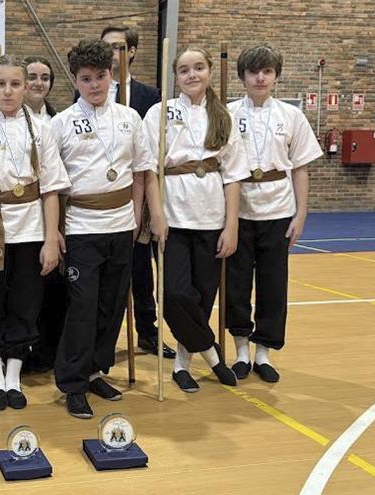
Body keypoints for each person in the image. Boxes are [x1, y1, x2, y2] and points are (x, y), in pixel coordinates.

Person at [51, 40, 166, 419]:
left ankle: (96, 370)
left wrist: (137, 217)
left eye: (101, 77)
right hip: (83, 224)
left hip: (122, 224)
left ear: (112, 75)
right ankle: (72, 383)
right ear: (75, 79)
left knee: (112, 303)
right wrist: (57, 231)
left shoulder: (129, 118)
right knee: (82, 307)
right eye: (86, 79)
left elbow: (140, 172)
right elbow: (54, 185)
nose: (95, 85)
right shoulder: (61, 124)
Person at [0, 54, 69, 410]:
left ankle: (13, 375)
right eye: (1, 84)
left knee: (26, 300)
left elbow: (51, 189)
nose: (8, 91)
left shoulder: (43, 130)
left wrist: (52, 238)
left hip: (32, 227)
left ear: (25, 88)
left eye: (15, 84)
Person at [142, 47, 248, 393]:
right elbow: (150, 170)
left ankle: (182, 364)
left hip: (211, 215)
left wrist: (231, 225)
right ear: (175, 77)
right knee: (174, 293)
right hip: (173, 215)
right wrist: (156, 215)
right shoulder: (160, 113)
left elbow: (233, 176)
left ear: (209, 72)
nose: (192, 75)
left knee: (203, 296)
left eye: (198, 68)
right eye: (184, 70)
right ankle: (213, 355)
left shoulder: (223, 117)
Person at [226, 44, 321, 383]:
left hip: (278, 208)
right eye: (253, 72)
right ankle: (239, 349)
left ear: (276, 76)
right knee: (236, 284)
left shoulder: (291, 116)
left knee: (272, 284)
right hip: (238, 209)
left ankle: (263, 351)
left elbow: (301, 169)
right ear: (243, 76)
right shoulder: (227, 112)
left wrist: (301, 214)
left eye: (267, 71)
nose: (260, 77)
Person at [101, 25, 175, 359]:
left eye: (119, 47)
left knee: (141, 271)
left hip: (140, 192)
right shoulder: (94, 90)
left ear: (131, 51)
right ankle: (102, 339)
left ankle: (147, 332)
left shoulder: (149, 96)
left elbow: (151, 153)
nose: (114, 54)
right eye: (107, 48)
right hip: (106, 196)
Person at [22, 55, 62, 374]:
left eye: (44, 77)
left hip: (56, 210)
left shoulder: (58, 120)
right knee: (26, 285)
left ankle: (48, 349)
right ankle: (22, 348)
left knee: (53, 286)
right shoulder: (11, 120)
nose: (38, 83)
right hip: (20, 215)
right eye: (32, 76)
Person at [23, 55, 57, 120]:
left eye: (45, 79)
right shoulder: (8, 121)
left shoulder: (59, 120)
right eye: (32, 78)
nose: (39, 83)